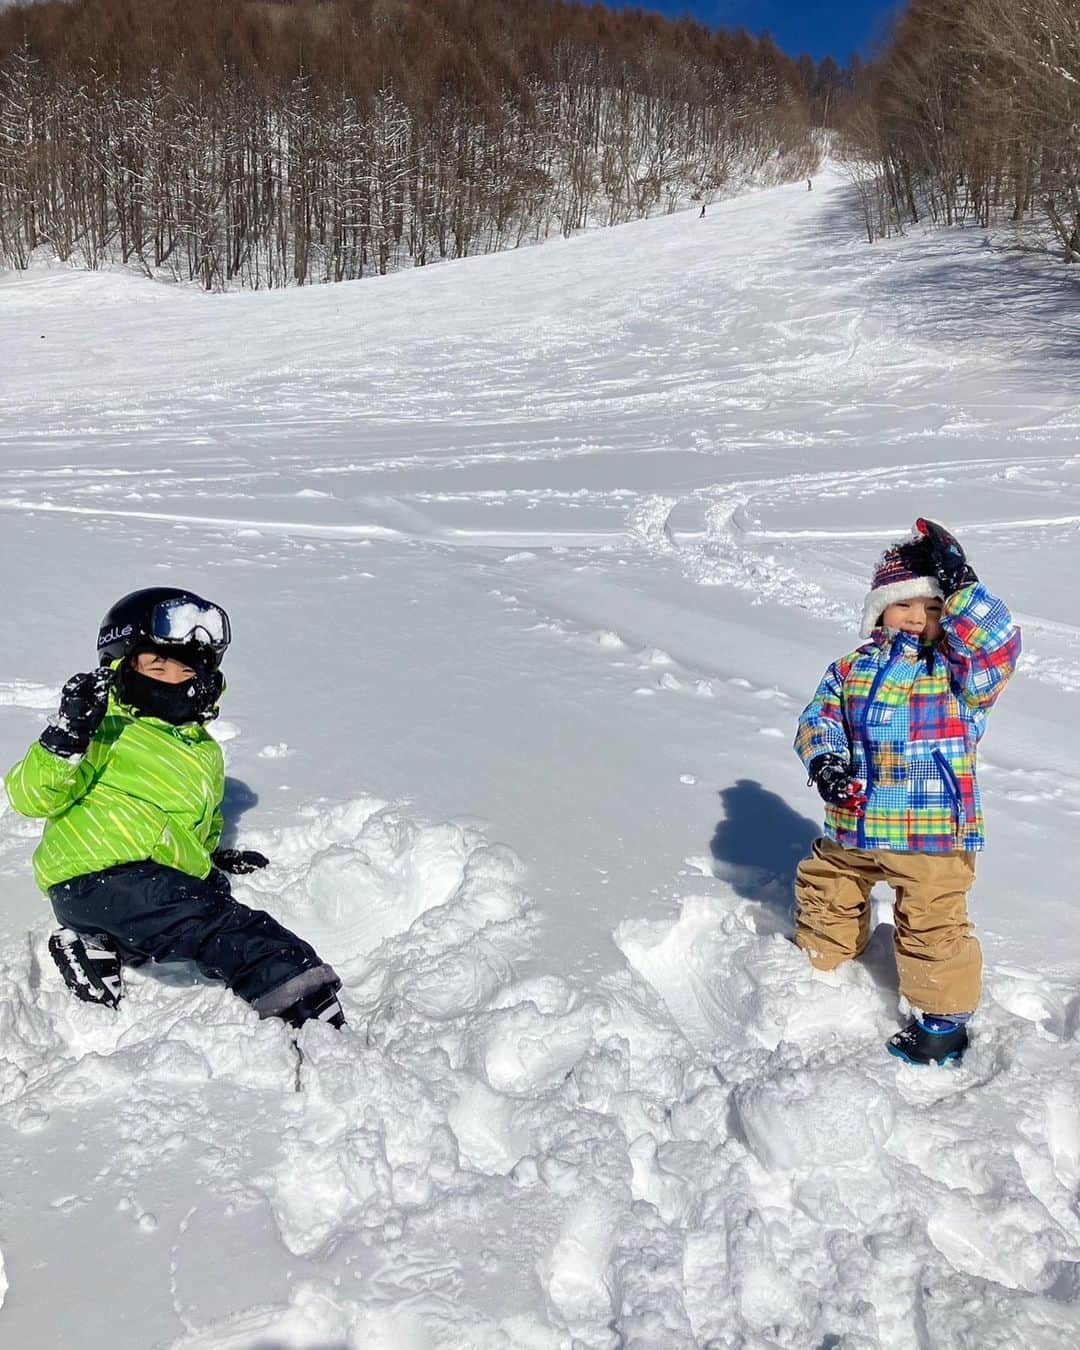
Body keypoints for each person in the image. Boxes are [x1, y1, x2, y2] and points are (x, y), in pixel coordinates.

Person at [5, 588, 344, 1029]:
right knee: (224, 926)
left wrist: (209, 854)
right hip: (97, 877)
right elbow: (31, 796)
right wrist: (65, 738)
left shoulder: (201, 750)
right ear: (121, 665)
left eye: (184, 667)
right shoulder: (103, 727)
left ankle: (92, 945)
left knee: (196, 905)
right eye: (155, 664)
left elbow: (195, 817)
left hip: (138, 892)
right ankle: (308, 1008)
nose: (171, 676)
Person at [793, 520, 1020, 1065]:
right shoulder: (850, 668)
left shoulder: (957, 672)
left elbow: (997, 649)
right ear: (879, 609)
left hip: (931, 829)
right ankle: (820, 965)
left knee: (932, 918)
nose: (919, 617)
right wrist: (825, 759)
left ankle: (942, 1020)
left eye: (935, 608)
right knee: (828, 883)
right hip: (854, 817)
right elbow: (818, 718)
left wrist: (963, 586)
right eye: (904, 605)